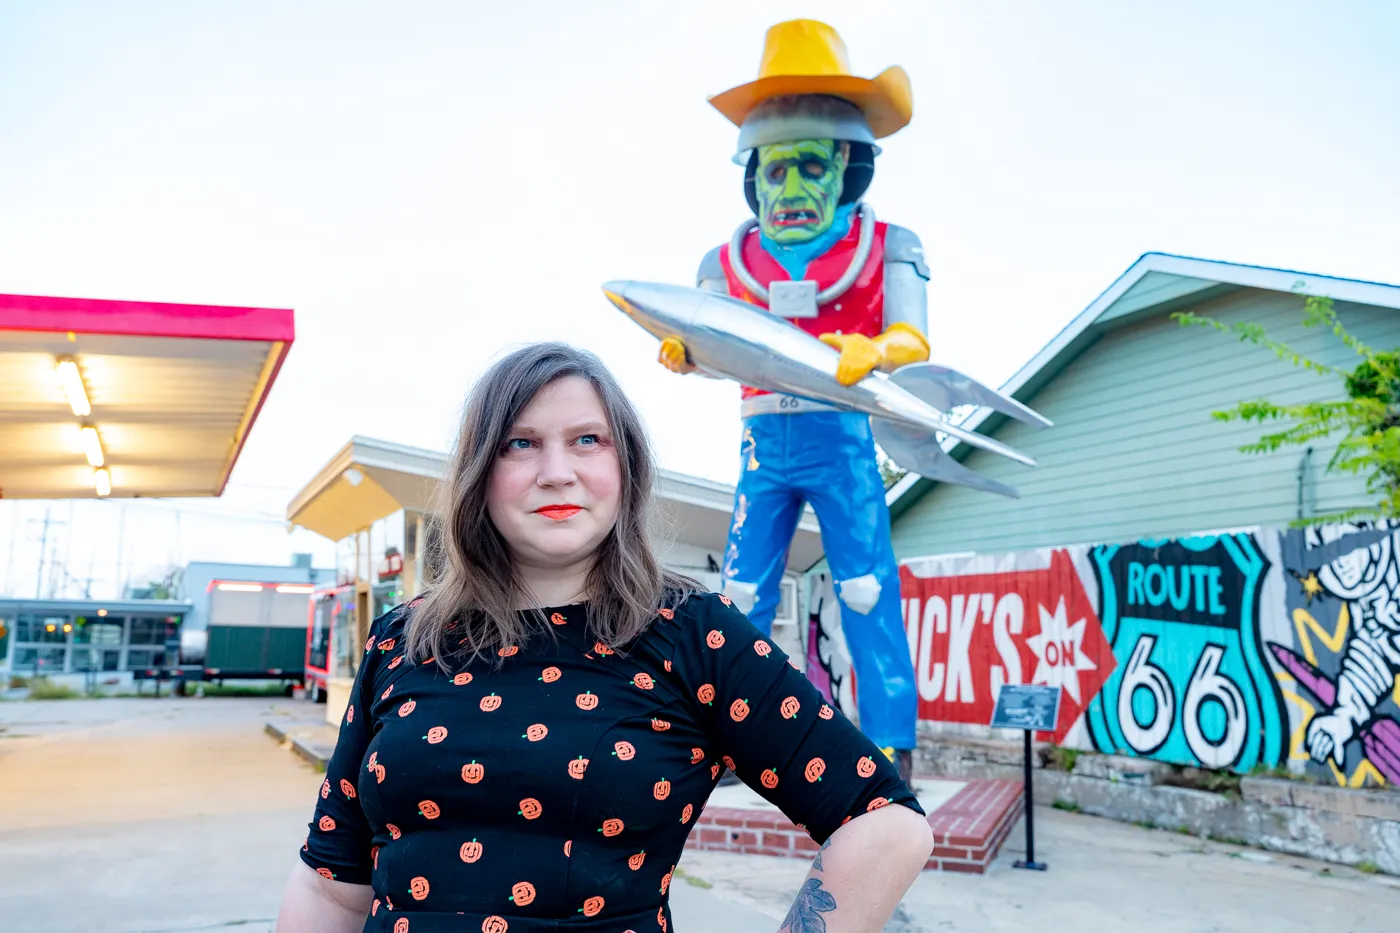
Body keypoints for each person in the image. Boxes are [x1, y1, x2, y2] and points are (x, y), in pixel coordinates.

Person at [274, 342, 934, 932]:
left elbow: (884, 821)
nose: (556, 471)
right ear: (480, 471)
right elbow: (330, 886)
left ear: (625, 465)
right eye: (519, 442)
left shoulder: (693, 633)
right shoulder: (405, 638)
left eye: (587, 439)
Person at [656, 19, 926, 779]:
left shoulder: (888, 246)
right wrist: (687, 354)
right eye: (775, 170)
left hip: (842, 440)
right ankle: (727, 738)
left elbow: (913, 338)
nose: (792, 188)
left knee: (868, 589)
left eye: (810, 164)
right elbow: (713, 351)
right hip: (759, 444)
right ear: (753, 174)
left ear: (847, 164)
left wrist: (878, 349)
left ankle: (890, 742)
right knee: (740, 595)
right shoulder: (725, 263)